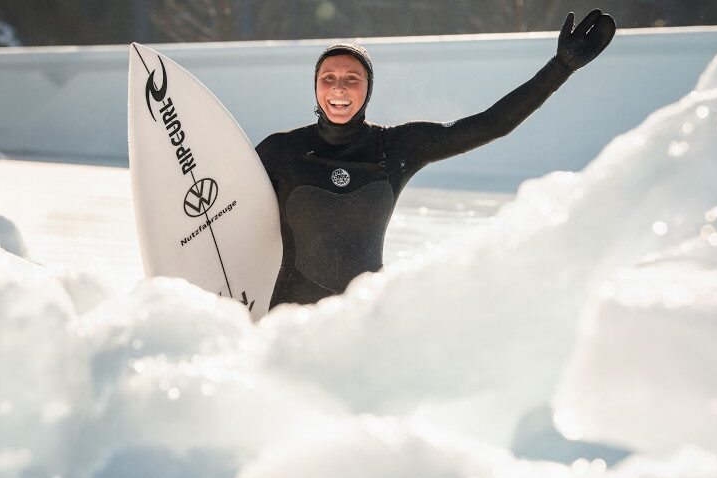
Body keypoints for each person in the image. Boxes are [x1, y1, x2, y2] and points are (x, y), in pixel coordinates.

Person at [255, 9, 616, 308]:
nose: (339, 87)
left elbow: (493, 124)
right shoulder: (280, 151)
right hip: (288, 325)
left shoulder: (395, 147)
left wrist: (560, 67)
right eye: (327, 78)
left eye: (353, 78)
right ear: (316, 86)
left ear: (368, 89)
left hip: (364, 321)